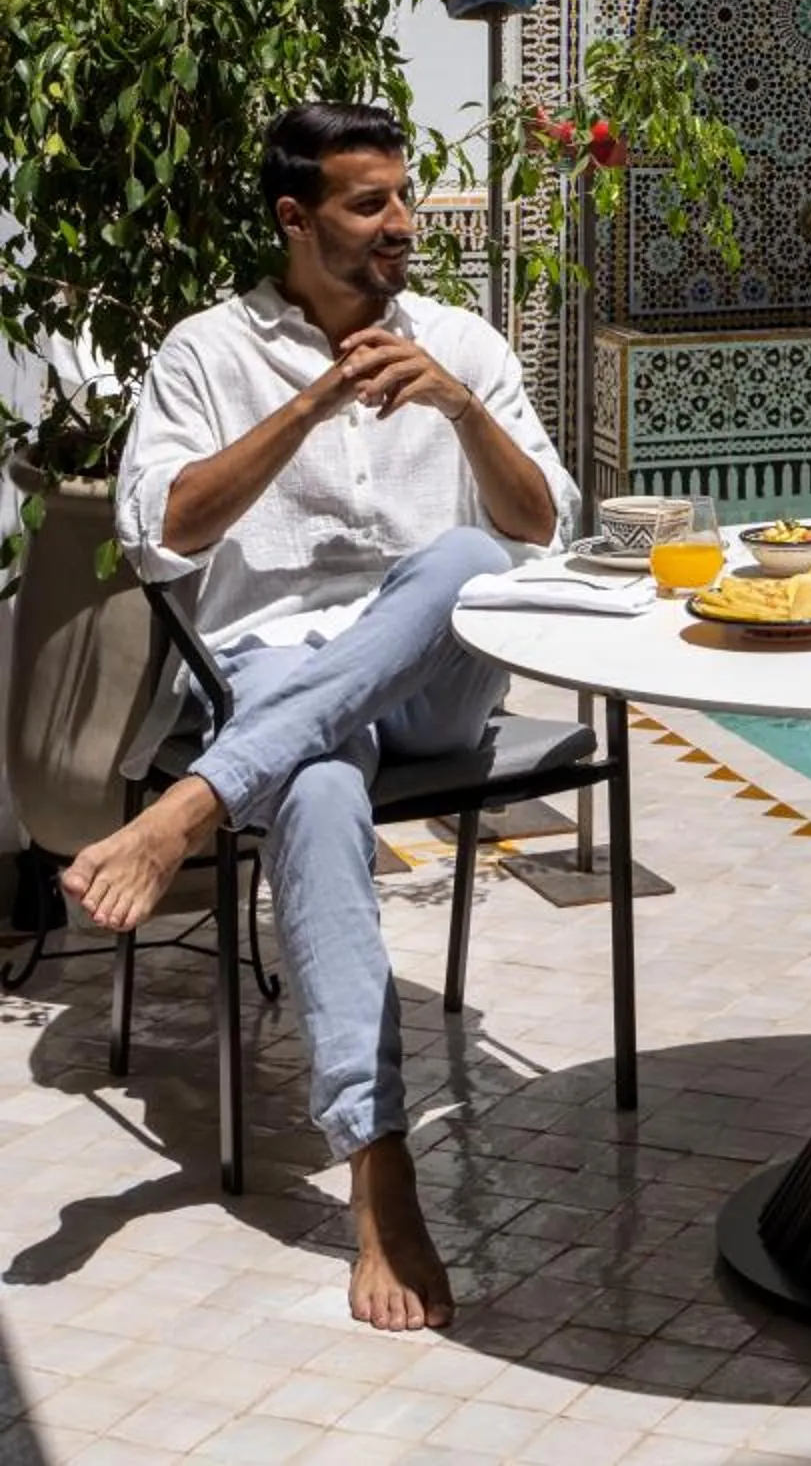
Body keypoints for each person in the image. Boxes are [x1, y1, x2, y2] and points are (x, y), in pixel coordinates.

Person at [60, 102, 577, 1331]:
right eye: (370, 204)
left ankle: (190, 805)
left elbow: (543, 527)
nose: (404, 224)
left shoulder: (459, 343)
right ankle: (378, 1169)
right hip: (275, 678)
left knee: (460, 558)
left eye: (403, 197)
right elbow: (160, 532)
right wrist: (312, 406)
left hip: (437, 680)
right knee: (321, 778)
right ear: (296, 220)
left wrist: (459, 409)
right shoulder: (204, 350)